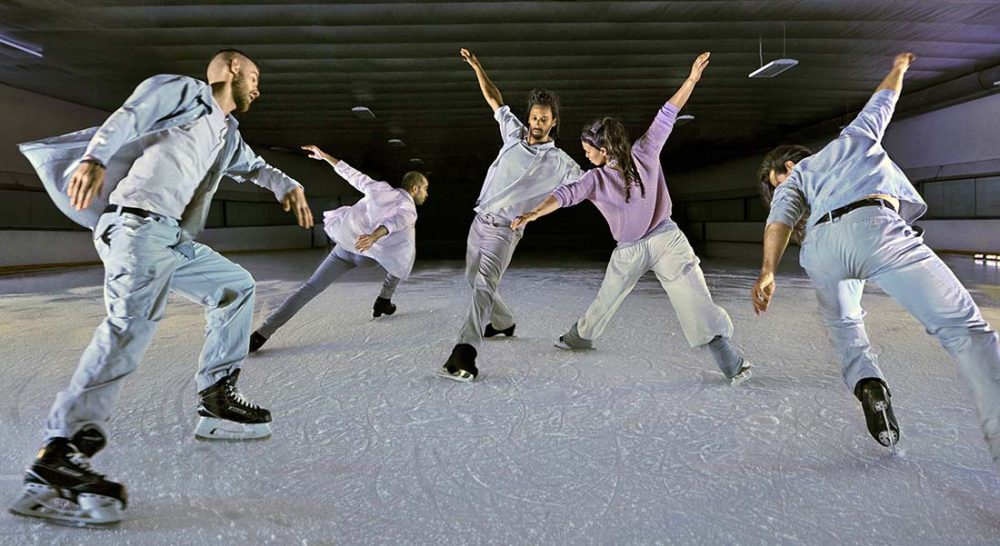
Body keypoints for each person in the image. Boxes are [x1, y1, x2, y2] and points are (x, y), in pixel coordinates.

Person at [11, 49, 314, 526]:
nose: (259, 87)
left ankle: (217, 397)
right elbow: (130, 116)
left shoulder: (225, 132)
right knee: (129, 327)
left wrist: (288, 184)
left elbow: (256, 166)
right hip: (136, 228)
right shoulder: (184, 93)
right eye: (254, 76)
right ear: (231, 68)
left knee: (234, 287)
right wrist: (93, 158)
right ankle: (57, 456)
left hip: (171, 236)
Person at [752, 53, 1000, 462]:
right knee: (965, 330)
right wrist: (898, 68)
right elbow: (884, 99)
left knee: (845, 324)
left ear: (790, 164)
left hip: (822, 248)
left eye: (777, 177)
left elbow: (777, 222)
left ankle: (869, 382)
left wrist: (767, 273)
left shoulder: (795, 177)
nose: (780, 183)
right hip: (875, 226)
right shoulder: (855, 137)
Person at [513, 52, 751, 385]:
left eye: (587, 149)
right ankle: (581, 335)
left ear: (604, 148)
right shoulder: (595, 179)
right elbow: (564, 195)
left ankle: (727, 356)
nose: (585, 154)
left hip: (666, 238)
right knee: (608, 296)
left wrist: (692, 80)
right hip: (630, 250)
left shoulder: (644, 151)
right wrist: (536, 212)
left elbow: (668, 112)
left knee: (692, 294)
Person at [439, 48, 583, 382]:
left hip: (505, 230)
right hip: (480, 221)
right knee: (472, 279)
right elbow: (494, 98)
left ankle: (465, 351)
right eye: (534, 117)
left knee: (483, 286)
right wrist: (477, 66)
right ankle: (503, 323)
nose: (536, 124)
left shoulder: (560, 162)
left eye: (543, 119)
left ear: (553, 122)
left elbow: (587, 184)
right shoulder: (513, 134)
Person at [249, 145, 428, 352]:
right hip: (370, 255)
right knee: (404, 249)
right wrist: (373, 236)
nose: (426, 194)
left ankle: (262, 333)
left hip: (345, 245)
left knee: (309, 288)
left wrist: (325, 156)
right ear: (414, 189)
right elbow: (394, 221)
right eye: (425, 189)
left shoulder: (379, 187)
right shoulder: (408, 209)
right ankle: (384, 299)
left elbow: (352, 175)